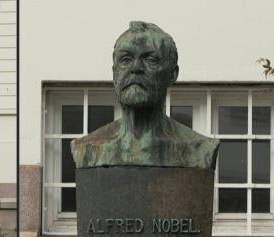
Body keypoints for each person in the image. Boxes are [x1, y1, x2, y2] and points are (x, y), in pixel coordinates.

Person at [71, 21, 219, 169]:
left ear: (172, 74)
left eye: (150, 60)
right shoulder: (87, 148)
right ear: (114, 73)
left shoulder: (199, 148)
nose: (136, 68)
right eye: (126, 60)